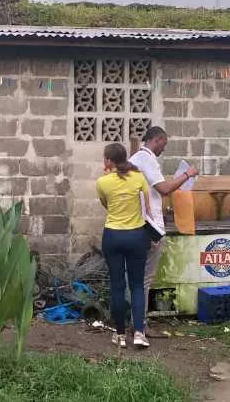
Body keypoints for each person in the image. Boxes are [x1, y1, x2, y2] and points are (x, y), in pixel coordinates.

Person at [129, 126, 199, 333]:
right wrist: (187, 174)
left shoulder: (136, 160)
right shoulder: (146, 159)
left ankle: (134, 322)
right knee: (144, 279)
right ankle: (139, 325)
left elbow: (153, 193)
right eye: (164, 144)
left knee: (135, 278)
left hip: (137, 225)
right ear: (157, 140)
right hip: (148, 228)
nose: (164, 149)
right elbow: (165, 188)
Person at [96, 143, 152, 349]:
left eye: (105, 159)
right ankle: (139, 332)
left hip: (113, 236)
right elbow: (146, 205)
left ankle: (120, 335)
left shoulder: (102, 182)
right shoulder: (139, 177)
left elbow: (106, 204)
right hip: (137, 236)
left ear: (109, 161)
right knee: (137, 286)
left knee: (117, 286)